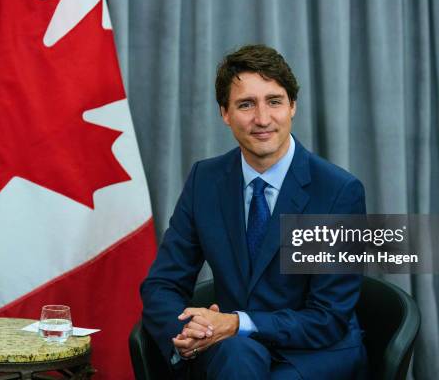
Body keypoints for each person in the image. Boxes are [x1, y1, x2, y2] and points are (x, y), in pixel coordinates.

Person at [141, 44, 368, 379]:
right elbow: (162, 283)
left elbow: (328, 317)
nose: (262, 119)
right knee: (236, 356)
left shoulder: (338, 192)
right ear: (225, 113)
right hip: (233, 351)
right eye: (246, 104)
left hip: (312, 354)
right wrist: (189, 331)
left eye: (274, 101)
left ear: (292, 106)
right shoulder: (205, 180)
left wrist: (235, 323)